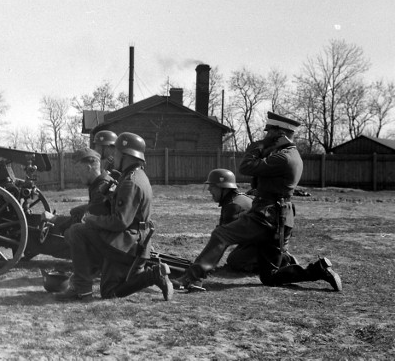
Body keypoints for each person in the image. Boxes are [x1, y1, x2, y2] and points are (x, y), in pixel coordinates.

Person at [178, 112, 342, 292]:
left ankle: (191, 279)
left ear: (279, 134)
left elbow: (246, 166)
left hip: (267, 216)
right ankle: (318, 270)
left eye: (269, 132)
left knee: (221, 235)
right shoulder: (290, 155)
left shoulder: (284, 157)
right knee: (270, 276)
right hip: (279, 217)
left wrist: (257, 147)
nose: (266, 137)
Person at [55, 132, 174, 301]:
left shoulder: (130, 182)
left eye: (117, 153)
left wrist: (91, 220)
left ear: (126, 156)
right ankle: (154, 275)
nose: (114, 156)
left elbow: (120, 221)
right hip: (134, 243)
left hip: (127, 245)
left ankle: (81, 289)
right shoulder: (137, 176)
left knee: (77, 231)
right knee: (109, 292)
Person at [42, 148, 115, 234]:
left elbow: (85, 220)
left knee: (71, 232)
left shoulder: (102, 188)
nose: (77, 174)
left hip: (104, 234)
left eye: (78, 168)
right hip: (101, 225)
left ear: (88, 168)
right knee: (75, 211)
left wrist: (55, 219)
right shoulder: (98, 183)